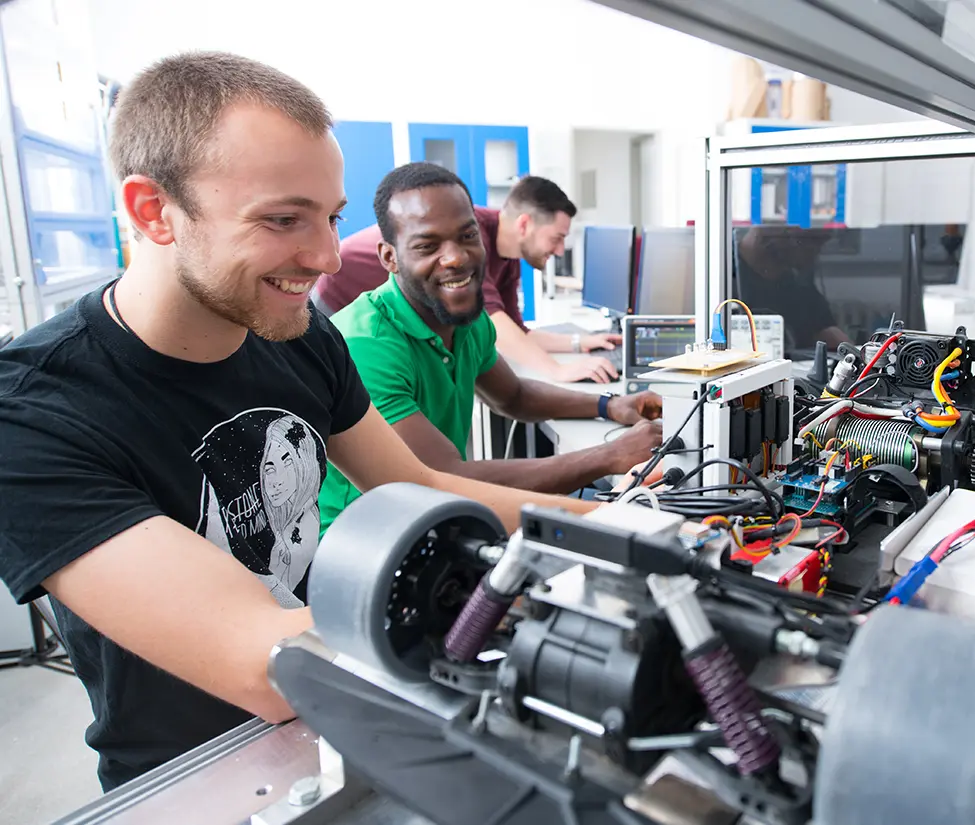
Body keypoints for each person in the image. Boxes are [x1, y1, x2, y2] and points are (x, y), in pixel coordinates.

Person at [0, 52, 607, 792]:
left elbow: (414, 483)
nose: (324, 257)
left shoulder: (296, 335)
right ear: (153, 211)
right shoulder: (31, 412)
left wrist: (628, 537)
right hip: (196, 778)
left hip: (349, 716)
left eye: (331, 218)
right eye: (284, 219)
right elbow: (261, 658)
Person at [317, 163, 663, 531]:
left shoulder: (463, 317)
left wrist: (610, 406)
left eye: (467, 237)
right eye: (427, 245)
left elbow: (513, 396)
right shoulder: (364, 344)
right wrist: (610, 456)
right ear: (389, 258)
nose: (456, 257)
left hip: (431, 520)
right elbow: (444, 478)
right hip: (362, 541)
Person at [312, 177, 623, 383]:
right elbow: (498, 328)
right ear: (525, 224)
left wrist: (579, 343)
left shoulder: (507, 256)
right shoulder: (472, 237)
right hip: (337, 297)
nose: (558, 250)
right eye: (557, 238)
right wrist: (557, 371)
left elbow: (515, 330)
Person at [734, 225, 853, 353]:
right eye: (810, 242)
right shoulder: (720, 281)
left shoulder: (797, 287)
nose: (815, 252)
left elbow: (829, 333)